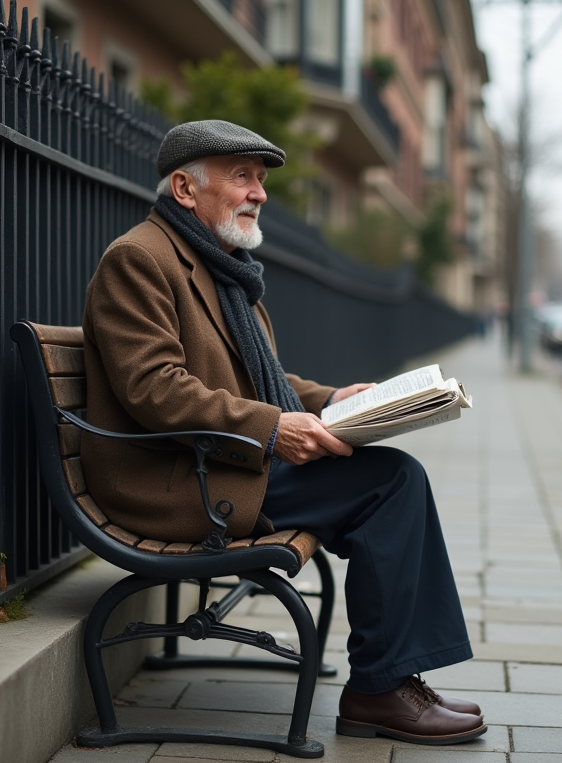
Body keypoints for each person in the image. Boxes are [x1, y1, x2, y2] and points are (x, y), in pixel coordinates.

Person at [80, 119, 485, 745]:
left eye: (261, 180)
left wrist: (333, 399)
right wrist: (273, 429)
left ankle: (387, 682)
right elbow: (154, 388)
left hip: (222, 460)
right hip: (175, 480)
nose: (260, 193)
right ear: (185, 189)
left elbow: (256, 375)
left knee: (391, 479)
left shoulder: (220, 263)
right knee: (390, 486)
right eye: (243, 177)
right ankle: (380, 690)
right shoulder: (139, 258)